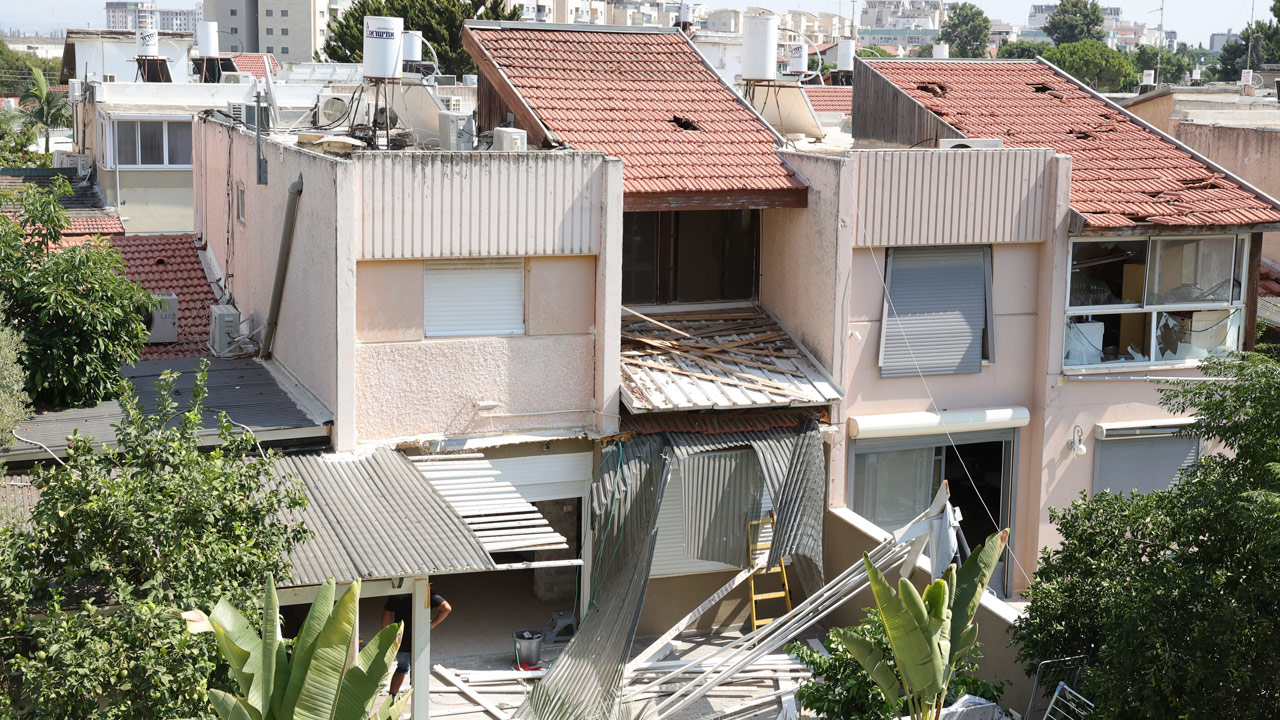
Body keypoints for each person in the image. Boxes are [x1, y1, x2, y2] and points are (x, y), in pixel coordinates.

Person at [382, 589, 451, 697]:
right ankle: (418, 699)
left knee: (402, 668)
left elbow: (386, 614)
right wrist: (433, 623)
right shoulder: (426, 593)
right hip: (419, 638)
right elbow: (446, 608)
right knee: (418, 668)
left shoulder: (398, 593)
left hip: (401, 638)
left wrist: (386, 633)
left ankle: (392, 698)